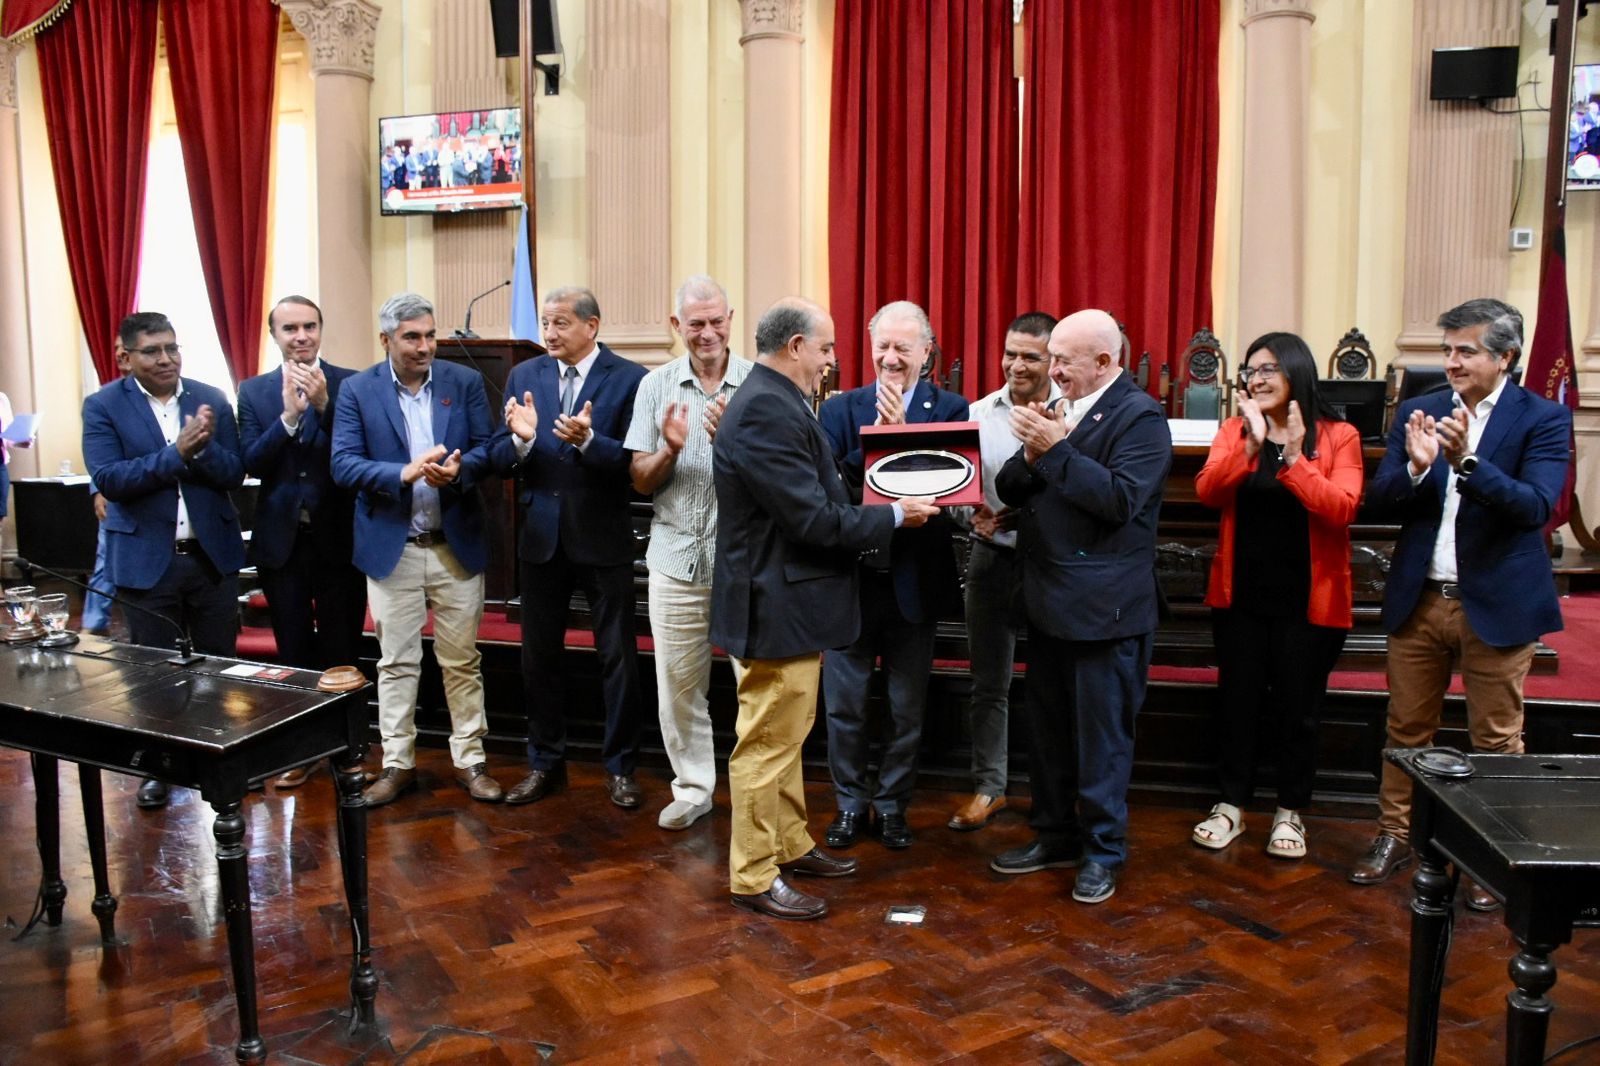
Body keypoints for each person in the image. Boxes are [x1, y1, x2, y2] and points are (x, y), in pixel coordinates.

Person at [711, 297, 937, 921]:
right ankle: (753, 875)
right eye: (826, 348)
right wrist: (894, 515)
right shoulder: (766, 408)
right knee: (767, 745)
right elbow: (811, 519)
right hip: (774, 605)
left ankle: (788, 844)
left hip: (786, 603)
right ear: (795, 347)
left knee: (785, 739)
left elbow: (820, 489)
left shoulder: (773, 399)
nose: (832, 361)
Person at [1348, 299, 1569, 913]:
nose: (1451, 362)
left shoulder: (1543, 418)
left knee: (1496, 739)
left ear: (1506, 357)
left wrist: (1467, 462)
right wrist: (1418, 471)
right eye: (1446, 350)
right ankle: (1395, 835)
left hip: (1496, 603)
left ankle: (1491, 854)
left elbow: (1536, 507)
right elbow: (1379, 502)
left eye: (1466, 351)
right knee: (1405, 730)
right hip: (1421, 599)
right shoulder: (1418, 412)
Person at [989, 308, 1171, 904]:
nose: (1053, 370)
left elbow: (1120, 502)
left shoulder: (1140, 418)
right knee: (1048, 736)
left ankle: (1102, 852)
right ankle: (1054, 835)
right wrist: (1033, 453)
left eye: (1064, 360)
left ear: (1104, 362)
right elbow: (1011, 488)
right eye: (1053, 358)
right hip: (1047, 603)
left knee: (1101, 742)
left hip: (1105, 614)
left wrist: (1056, 449)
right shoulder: (1059, 408)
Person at [1189, 332, 1363, 860]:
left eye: (1268, 369)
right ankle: (1231, 806)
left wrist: (1291, 455)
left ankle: (1290, 811)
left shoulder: (1339, 435)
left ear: (1295, 372)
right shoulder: (1235, 430)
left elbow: (1341, 508)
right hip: (1240, 597)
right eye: (1251, 370)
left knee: (1298, 710)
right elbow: (1207, 492)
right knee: (1237, 704)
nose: (1257, 378)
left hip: (1309, 603)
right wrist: (1250, 447)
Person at [330, 292, 503, 807]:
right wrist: (401, 473)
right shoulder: (358, 390)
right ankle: (397, 763)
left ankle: (471, 760)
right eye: (412, 337)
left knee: (462, 661)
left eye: (430, 335)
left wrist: (461, 470)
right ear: (385, 339)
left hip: (454, 544)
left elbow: (488, 449)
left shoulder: (462, 382)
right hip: (394, 548)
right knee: (396, 662)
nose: (425, 346)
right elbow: (343, 463)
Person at [815, 300, 969, 850]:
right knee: (846, 706)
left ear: (926, 352)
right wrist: (876, 443)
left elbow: (952, 487)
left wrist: (900, 441)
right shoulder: (840, 410)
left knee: (907, 708)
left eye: (903, 347)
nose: (890, 357)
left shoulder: (950, 408)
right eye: (882, 346)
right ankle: (849, 804)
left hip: (914, 583)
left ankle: (892, 806)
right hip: (851, 584)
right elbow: (832, 491)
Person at [81, 312, 246, 810]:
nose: (166, 359)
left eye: (172, 348)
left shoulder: (210, 398)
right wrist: (177, 453)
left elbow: (235, 473)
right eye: (152, 351)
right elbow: (111, 479)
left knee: (219, 666)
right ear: (125, 357)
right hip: (146, 562)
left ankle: (223, 761)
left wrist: (200, 450)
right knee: (153, 675)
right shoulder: (103, 406)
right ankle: (159, 767)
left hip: (210, 558)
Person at [495, 287, 649, 809]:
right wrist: (520, 441)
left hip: (602, 535)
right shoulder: (524, 375)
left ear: (592, 325)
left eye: (561, 323)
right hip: (541, 538)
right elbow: (502, 453)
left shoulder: (631, 379)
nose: (550, 333)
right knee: (539, 658)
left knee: (617, 657)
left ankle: (621, 768)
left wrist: (587, 441)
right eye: (546, 322)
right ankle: (544, 763)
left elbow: (636, 464)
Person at [624, 276, 752, 830]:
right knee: (678, 687)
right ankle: (695, 788)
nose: (707, 333)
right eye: (695, 323)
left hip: (744, 563)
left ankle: (754, 792)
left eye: (716, 321)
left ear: (731, 320)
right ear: (677, 326)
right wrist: (671, 450)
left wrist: (734, 447)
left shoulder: (759, 385)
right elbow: (640, 479)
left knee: (757, 688)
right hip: (676, 560)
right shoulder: (654, 386)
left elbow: (786, 479)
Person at [237, 296, 367, 788]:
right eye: (290, 328)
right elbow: (251, 461)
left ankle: (346, 747)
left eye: (309, 326)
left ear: (320, 329)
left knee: (342, 647)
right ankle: (301, 747)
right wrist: (288, 419)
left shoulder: (352, 384)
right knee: (292, 650)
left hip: (339, 537)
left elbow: (361, 449)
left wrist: (324, 406)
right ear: (274, 335)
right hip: (282, 542)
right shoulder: (253, 391)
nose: (301, 336)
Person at [946, 311, 1059, 831]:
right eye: (1010, 353)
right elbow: (952, 489)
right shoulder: (977, 414)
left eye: (1030, 356)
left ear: (1052, 361)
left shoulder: (1069, 415)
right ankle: (989, 787)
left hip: (1050, 565)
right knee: (988, 683)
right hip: (990, 559)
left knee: (1053, 684)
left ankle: (1051, 792)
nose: (1017, 365)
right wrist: (971, 516)